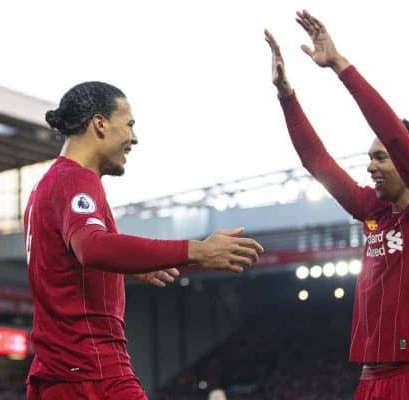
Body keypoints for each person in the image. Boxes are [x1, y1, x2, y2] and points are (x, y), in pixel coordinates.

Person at [265, 10, 409, 400]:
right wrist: (286, 95)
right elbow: (316, 162)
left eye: (381, 157)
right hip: (370, 380)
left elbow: (393, 132)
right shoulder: (372, 211)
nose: (370, 166)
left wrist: (340, 65)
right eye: (370, 157)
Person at [24, 81, 264, 400]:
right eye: (130, 125)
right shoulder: (75, 179)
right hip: (92, 373)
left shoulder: (45, 187)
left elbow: (62, 265)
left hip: (61, 374)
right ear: (100, 124)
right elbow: (92, 247)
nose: (134, 138)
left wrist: (123, 269)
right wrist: (197, 251)